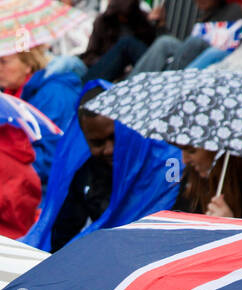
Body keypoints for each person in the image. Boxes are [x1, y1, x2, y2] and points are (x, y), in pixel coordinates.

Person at [24, 82, 180, 252]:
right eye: (97, 143)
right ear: (85, 140)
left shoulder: (167, 163)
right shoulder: (83, 172)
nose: (109, 149)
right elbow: (62, 235)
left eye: (115, 137)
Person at [0, 48, 81, 184]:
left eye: (4, 62)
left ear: (28, 65)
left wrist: (1, 165)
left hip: (53, 190)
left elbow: (51, 160)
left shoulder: (53, 95)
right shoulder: (15, 96)